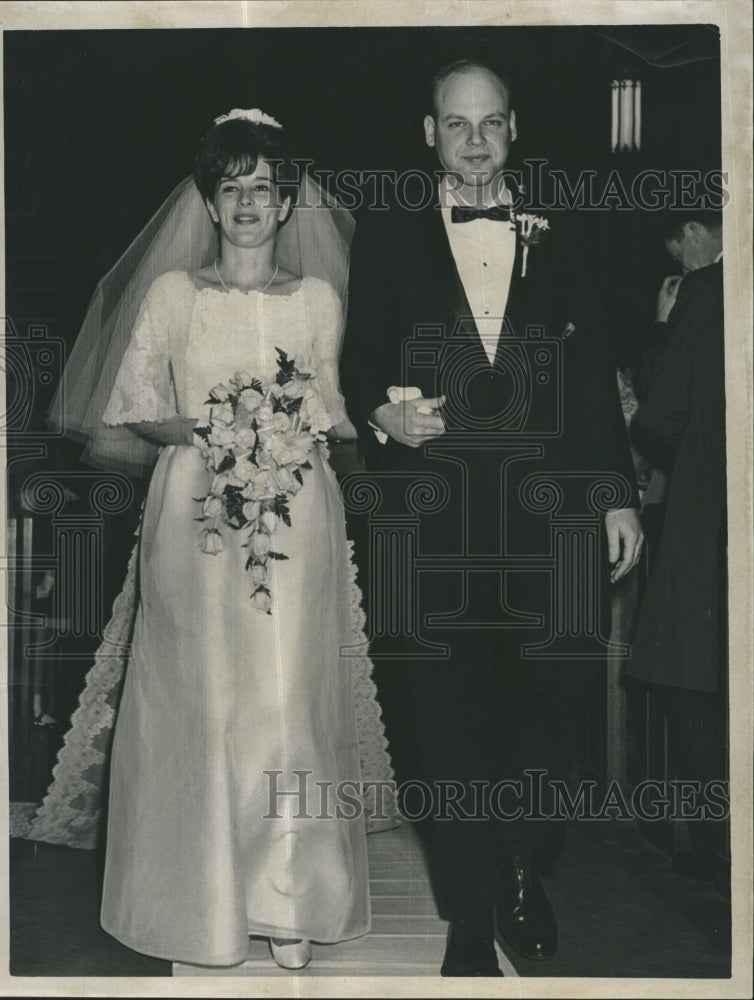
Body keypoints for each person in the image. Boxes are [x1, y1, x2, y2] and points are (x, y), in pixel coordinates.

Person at [43, 110, 396, 971]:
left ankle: (289, 903)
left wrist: (291, 433)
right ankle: (199, 900)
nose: (247, 202)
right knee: (203, 703)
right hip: (193, 515)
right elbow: (132, 406)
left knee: (286, 702)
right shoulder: (173, 295)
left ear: (285, 205)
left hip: (297, 515)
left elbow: (331, 411)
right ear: (209, 201)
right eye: (230, 187)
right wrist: (219, 431)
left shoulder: (319, 301)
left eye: (263, 188)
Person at [340, 58, 643, 976]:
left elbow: (593, 377)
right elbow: (358, 367)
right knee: (451, 722)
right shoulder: (388, 236)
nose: (475, 140)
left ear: (513, 131)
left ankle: (523, 868)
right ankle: (470, 915)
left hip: (551, 518)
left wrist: (619, 493)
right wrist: (380, 414)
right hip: (433, 525)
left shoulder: (565, 233)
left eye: (491, 123)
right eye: (456, 124)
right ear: (429, 135)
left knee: (549, 716)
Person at [626, 209, 726, 880]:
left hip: (714, 517)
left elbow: (661, 416)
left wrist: (663, 325)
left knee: (689, 677)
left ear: (692, 233)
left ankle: (718, 846)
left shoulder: (706, 293)